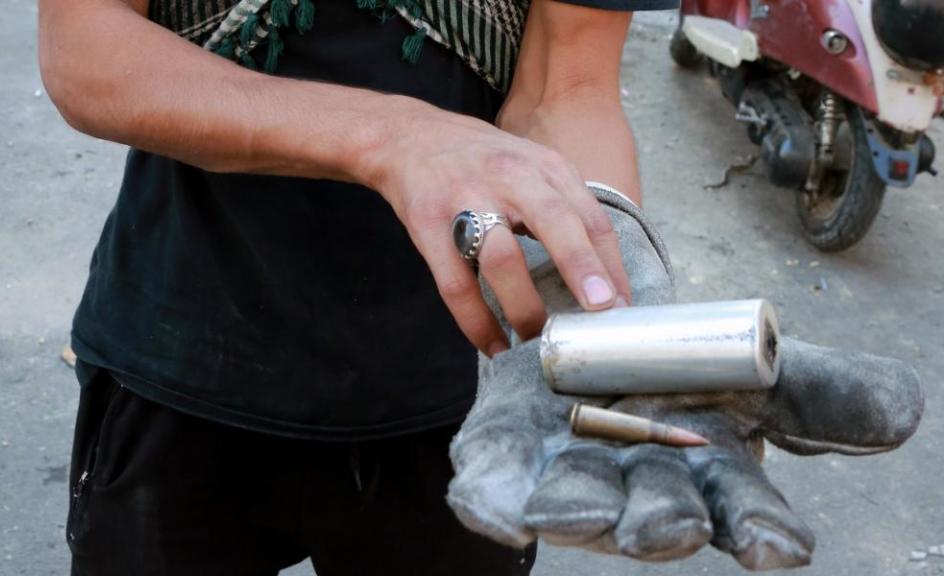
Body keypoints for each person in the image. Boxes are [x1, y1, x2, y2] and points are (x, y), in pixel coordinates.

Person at [38, 0, 677, 574]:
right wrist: (391, 135)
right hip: (182, 349)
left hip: (461, 390)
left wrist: (608, 297)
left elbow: (567, 88)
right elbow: (88, 49)